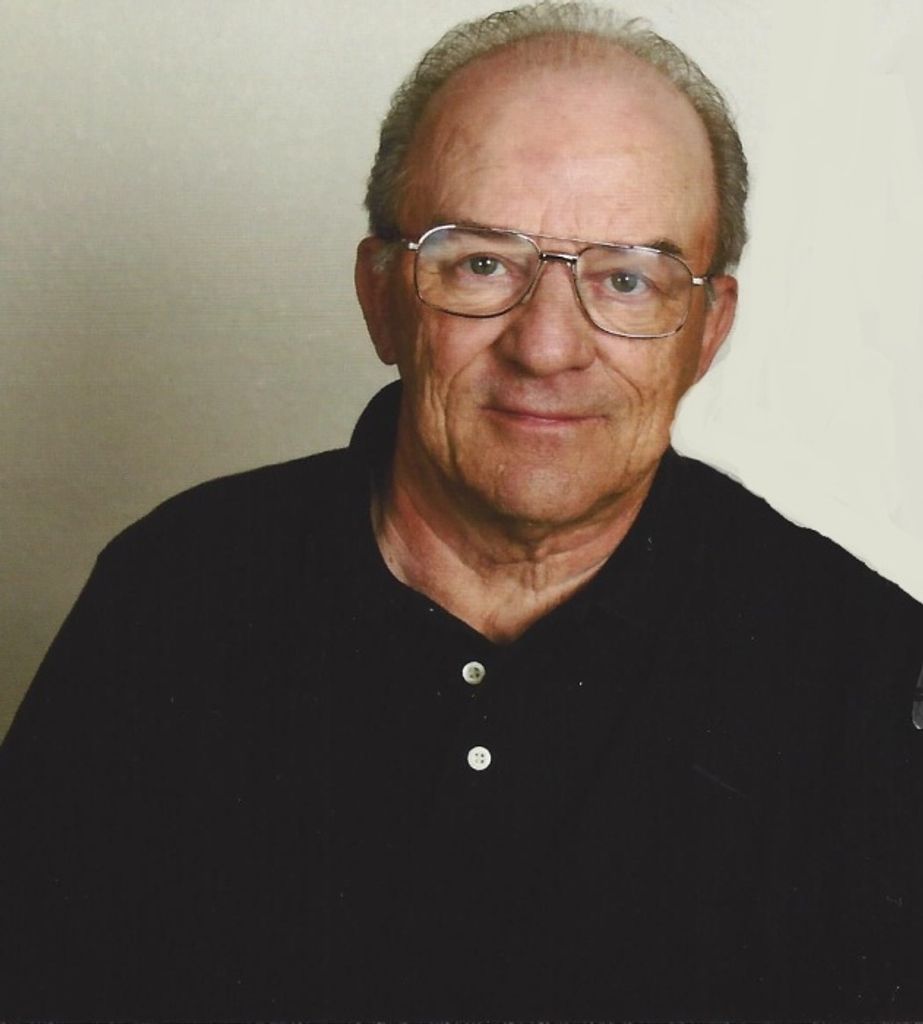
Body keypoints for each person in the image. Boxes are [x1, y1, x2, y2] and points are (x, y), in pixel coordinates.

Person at [2, 2, 921, 1019]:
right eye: (481, 263)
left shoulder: (864, 671)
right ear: (381, 296)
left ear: (705, 331)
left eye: (626, 279)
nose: (546, 346)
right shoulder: (174, 593)